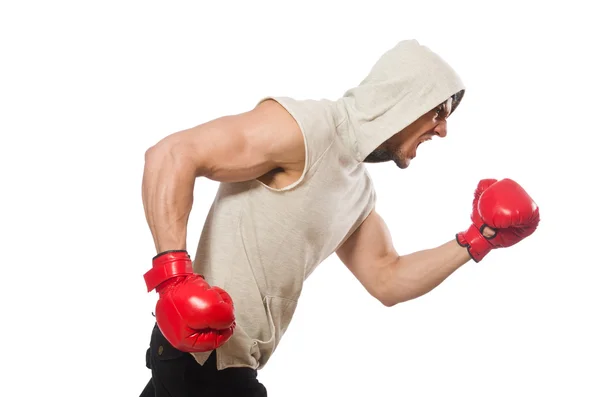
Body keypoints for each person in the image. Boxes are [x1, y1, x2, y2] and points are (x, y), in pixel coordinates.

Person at [139, 39, 540, 396]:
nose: (444, 129)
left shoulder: (358, 190)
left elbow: (388, 278)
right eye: (440, 110)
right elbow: (172, 155)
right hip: (203, 360)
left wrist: (477, 239)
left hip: (222, 360)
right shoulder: (308, 129)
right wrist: (173, 280)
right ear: (405, 99)